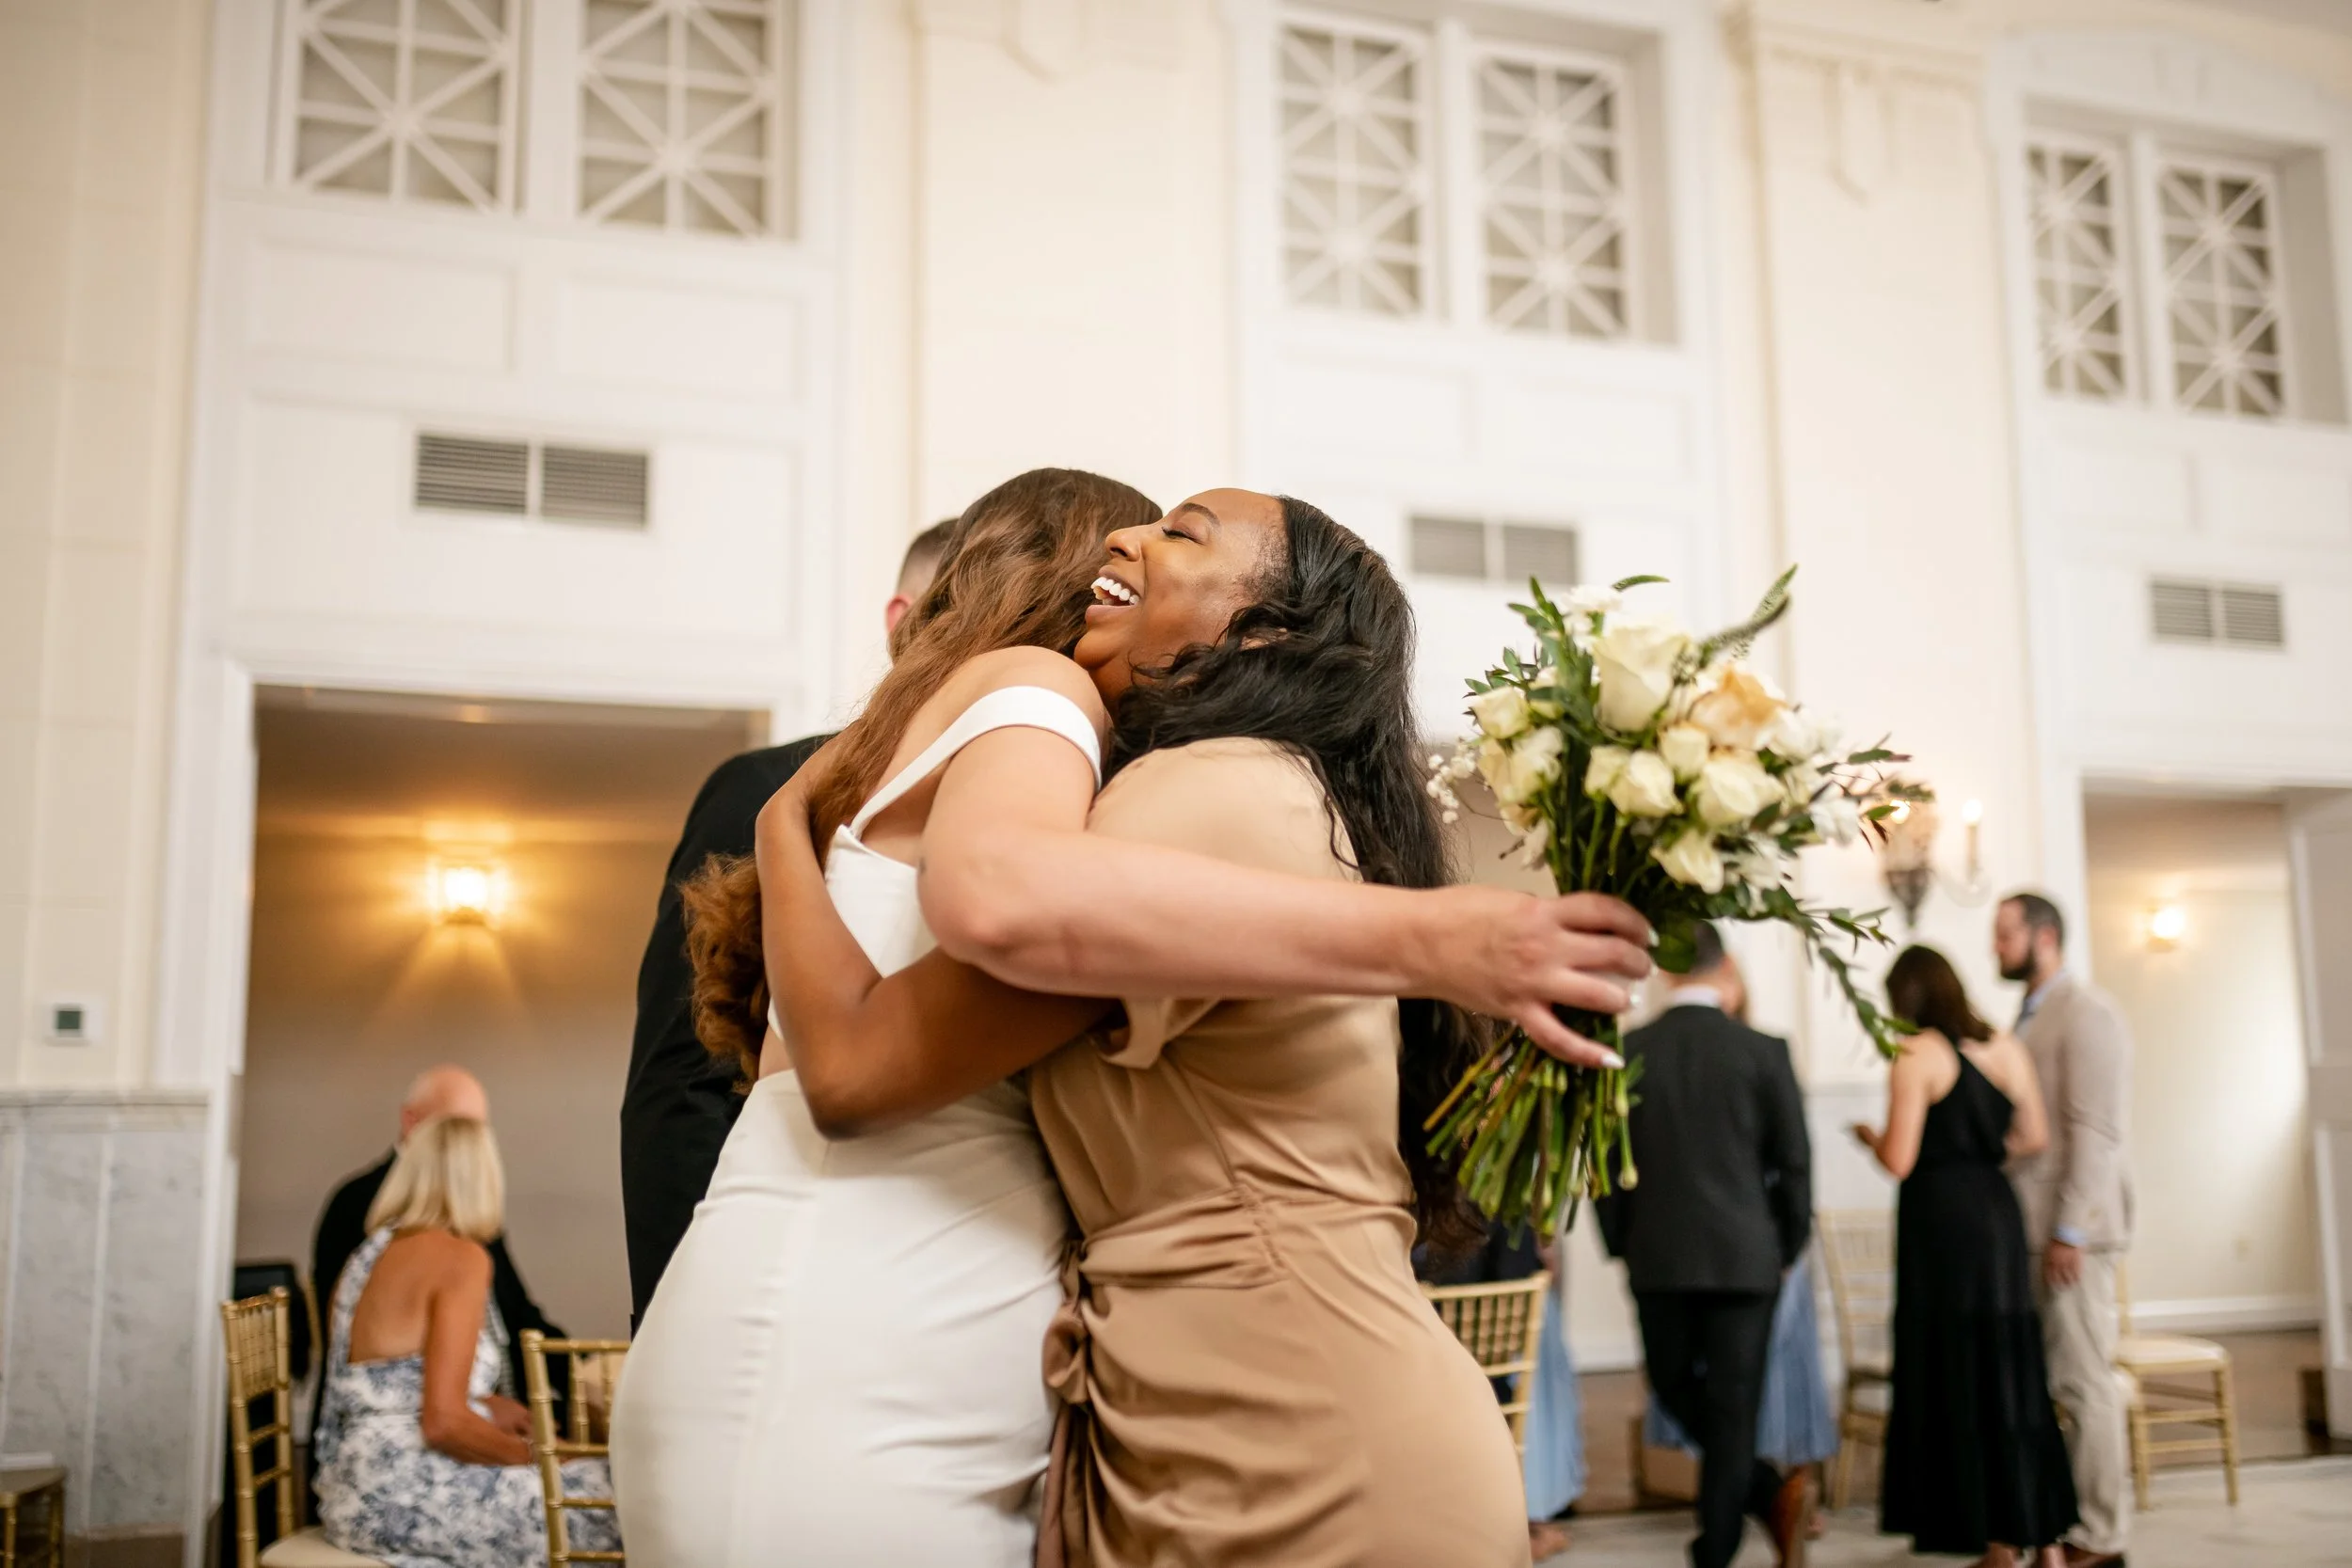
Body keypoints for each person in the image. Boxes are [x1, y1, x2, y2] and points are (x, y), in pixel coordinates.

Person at [612, 474, 1650, 1567]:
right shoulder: (1163, 778)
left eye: (1179, 530)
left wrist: (1446, 939)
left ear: (1262, 631)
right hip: (1194, 1416)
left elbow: (920, 987)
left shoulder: (1193, 791)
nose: (1130, 538)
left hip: (1297, 1421)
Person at [618, 518, 954, 1324]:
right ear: (902, 620)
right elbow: (681, 1080)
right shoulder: (767, 787)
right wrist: (684, 1308)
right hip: (767, 1259)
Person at [1595, 923, 1813, 1568]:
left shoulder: (1629, 1051)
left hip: (1657, 1256)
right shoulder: (1765, 1049)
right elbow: (1796, 1163)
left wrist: (1621, 1243)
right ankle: (1770, 1489)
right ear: (1723, 970)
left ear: (1661, 971)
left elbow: (1607, 1167)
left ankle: (1713, 1549)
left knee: (1675, 1387)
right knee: (1731, 1405)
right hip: (1749, 1258)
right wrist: (1788, 1241)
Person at [313, 1115, 621, 1567]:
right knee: (621, 1504)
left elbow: (389, 1383)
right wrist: (543, 1456)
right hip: (406, 1491)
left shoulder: (368, 1253)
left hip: (352, 1487)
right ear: (481, 1176)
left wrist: (491, 1406)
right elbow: (443, 1424)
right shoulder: (461, 1258)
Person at [1857, 945, 2078, 1568]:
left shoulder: (1915, 1052)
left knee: (1961, 1370)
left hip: (1942, 1224)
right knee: (2011, 1371)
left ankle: (1997, 1544)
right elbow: (2033, 1136)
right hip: (1997, 1213)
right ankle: (2046, 1545)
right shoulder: (2006, 1046)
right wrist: (1981, 1156)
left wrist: (1872, 1138)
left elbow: (1900, 1159)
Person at [312, 1067, 565, 1453]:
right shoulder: (359, 1207)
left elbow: (517, 1313)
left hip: (355, 1456)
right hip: (411, 1454)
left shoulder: (383, 1239)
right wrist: (545, 1457)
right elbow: (438, 1419)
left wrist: (570, 1373)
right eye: (460, 1131)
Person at [1995, 893, 2135, 1568]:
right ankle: (2058, 1524)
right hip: (2028, 1227)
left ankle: (2102, 1536)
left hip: (2070, 1234)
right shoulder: (2029, 1015)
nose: (1996, 947)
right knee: (2050, 1387)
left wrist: (2071, 1229)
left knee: (2084, 1383)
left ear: (2043, 936)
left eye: (2005, 934)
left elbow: (2096, 1131)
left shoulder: (2087, 1013)